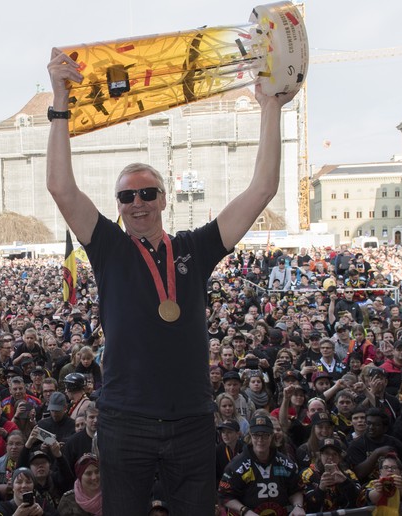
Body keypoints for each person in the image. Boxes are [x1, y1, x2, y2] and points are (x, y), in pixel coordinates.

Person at [45, 49, 295, 515]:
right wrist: (60, 102)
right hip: (125, 419)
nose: (137, 202)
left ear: (164, 198)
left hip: (191, 420)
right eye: (126, 196)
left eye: (147, 193)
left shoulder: (195, 248)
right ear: (117, 204)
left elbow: (261, 189)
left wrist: (270, 108)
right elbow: (61, 188)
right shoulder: (108, 247)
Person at [218, 412, 305, 516]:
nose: (260, 440)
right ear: (250, 435)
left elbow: (296, 489)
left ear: (272, 436)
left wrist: (298, 506)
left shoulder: (286, 463)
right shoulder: (236, 465)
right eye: (256, 435)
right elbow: (224, 496)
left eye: (265, 435)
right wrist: (245, 511)